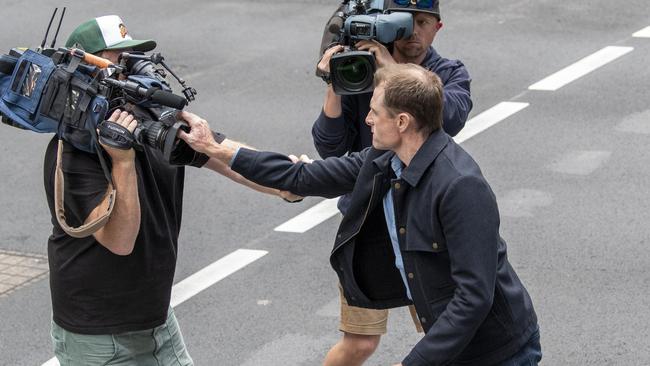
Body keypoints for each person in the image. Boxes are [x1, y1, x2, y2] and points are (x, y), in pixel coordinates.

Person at [178, 63, 541, 366]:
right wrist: (215, 148)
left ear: (402, 122)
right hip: (451, 348)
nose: (366, 120)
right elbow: (301, 176)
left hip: (498, 352)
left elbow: (474, 297)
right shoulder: (383, 160)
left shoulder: (459, 186)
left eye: (374, 111)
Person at [46, 15, 295, 366]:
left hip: (156, 321)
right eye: (117, 62)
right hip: (99, 334)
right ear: (85, 70)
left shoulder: (149, 118)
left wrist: (286, 181)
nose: (129, 73)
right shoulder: (73, 150)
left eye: (132, 60)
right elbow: (120, 240)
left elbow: (218, 153)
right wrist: (122, 162)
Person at [313, 1, 473, 363]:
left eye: (422, 22)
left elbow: (450, 118)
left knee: (448, 330)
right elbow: (330, 147)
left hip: (425, 225)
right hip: (370, 222)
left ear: (438, 27)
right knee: (360, 343)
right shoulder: (362, 70)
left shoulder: (448, 73)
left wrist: (395, 73)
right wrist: (335, 83)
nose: (414, 32)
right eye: (405, 23)